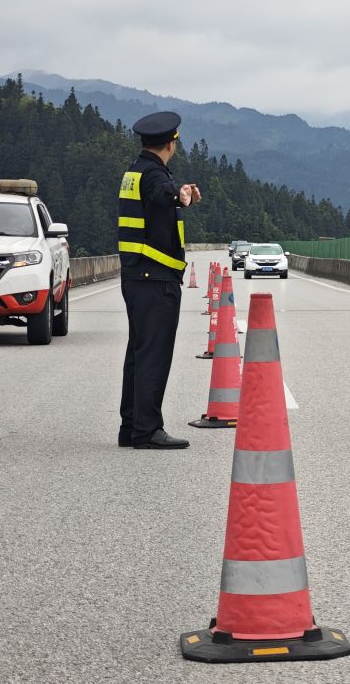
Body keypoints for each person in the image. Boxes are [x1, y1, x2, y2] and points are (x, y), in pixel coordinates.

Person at [117, 111, 201, 449]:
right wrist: (177, 196)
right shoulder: (154, 176)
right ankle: (147, 430)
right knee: (154, 354)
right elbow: (161, 194)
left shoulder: (134, 172)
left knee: (138, 353)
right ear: (171, 143)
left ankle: (131, 426)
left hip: (137, 274)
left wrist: (177, 194)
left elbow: (156, 199)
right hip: (155, 278)